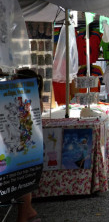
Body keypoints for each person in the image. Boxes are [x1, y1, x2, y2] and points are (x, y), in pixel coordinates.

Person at [13, 69, 42, 222]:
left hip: (25, 146)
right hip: (27, 146)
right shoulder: (32, 96)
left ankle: (25, 213)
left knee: (22, 179)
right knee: (23, 180)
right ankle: (27, 211)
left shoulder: (25, 99)